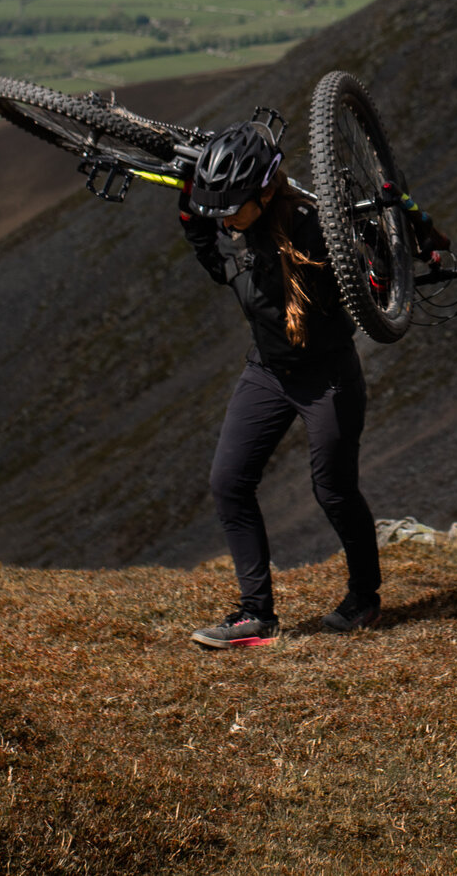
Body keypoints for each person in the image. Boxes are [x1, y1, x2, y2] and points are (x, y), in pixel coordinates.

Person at [177, 121, 386, 650]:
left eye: (232, 207)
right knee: (229, 482)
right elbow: (212, 253)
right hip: (267, 372)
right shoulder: (233, 230)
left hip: (328, 378)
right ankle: (256, 616)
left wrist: (382, 250)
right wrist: (191, 202)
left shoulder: (315, 229)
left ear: (265, 193)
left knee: (334, 491)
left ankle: (365, 597)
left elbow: (373, 266)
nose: (223, 217)